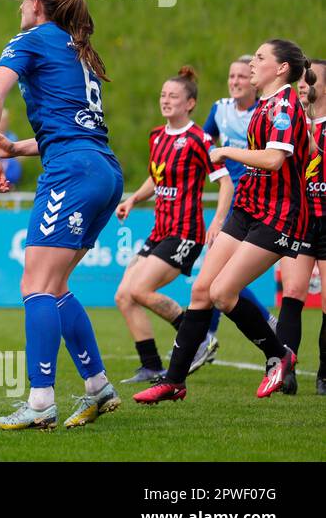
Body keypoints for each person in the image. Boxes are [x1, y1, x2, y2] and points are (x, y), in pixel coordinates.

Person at [0, 0, 123, 430]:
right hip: (101, 167)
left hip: (72, 172)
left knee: (34, 286)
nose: (20, 7)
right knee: (55, 286)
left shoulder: (32, 40)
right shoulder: (77, 48)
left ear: (37, 4)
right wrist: (17, 148)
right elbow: (76, 126)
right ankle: (98, 388)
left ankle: (40, 402)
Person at [135, 40, 315, 405]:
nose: (252, 64)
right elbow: (308, 149)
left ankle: (279, 354)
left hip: (277, 215)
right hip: (248, 207)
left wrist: (227, 150)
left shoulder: (283, 105)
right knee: (202, 290)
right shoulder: (269, 103)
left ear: (281, 68)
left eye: (260, 58)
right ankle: (173, 381)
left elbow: (275, 160)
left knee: (221, 293)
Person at [112, 67, 234, 384]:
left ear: (190, 103)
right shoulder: (157, 135)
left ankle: (200, 338)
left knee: (140, 289)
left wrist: (218, 220)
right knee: (124, 295)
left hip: (185, 233)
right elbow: (157, 176)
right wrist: (133, 199)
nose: (166, 101)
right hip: (159, 231)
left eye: (174, 96)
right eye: (163, 95)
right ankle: (151, 365)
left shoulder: (199, 139)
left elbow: (225, 183)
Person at [197, 55, 277, 366]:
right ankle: (211, 335)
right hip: (234, 198)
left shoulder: (266, 112)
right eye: (231, 76)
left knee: (221, 277)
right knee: (219, 277)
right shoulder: (220, 108)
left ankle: (210, 336)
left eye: (242, 76)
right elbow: (204, 139)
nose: (235, 82)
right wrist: (215, 168)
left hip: (258, 201)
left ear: (253, 82)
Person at [272, 59, 326, 394]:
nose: (304, 83)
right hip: (300, 220)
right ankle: (285, 370)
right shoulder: (290, 122)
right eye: (302, 78)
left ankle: (324, 374)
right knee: (292, 294)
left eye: (312, 77)